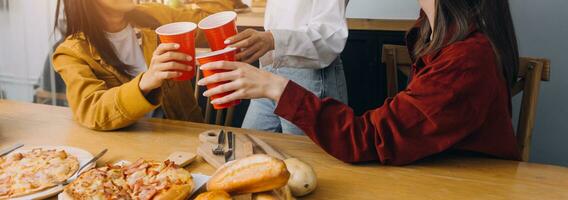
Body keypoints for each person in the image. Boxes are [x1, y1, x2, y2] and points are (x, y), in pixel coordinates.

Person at [198, 0, 521, 165]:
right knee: (251, 162)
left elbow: (371, 138)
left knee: (316, 172)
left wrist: (273, 82)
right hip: (276, 74)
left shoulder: (466, 60)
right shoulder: (435, 34)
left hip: (306, 77)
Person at [52, 0, 233, 131]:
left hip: (187, 134)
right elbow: (92, 110)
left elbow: (213, 19)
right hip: (130, 154)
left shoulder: (155, 15)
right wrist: (146, 81)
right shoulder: (71, 52)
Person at [222, 0, 349, 135]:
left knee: (303, 153)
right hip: (269, 68)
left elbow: (331, 36)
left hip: (309, 76)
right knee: (247, 145)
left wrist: (273, 39)